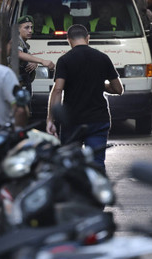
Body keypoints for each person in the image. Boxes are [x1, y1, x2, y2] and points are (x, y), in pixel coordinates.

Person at [47, 24, 123, 170]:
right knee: (97, 164)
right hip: (98, 120)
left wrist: (51, 120)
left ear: (68, 40)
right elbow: (118, 89)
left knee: (69, 165)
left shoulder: (64, 60)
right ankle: (97, 191)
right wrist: (100, 85)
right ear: (88, 38)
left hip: (72, 121)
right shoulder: (102, 58)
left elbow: (57, 90)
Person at [15, 15, 55, 92]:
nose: (30, 31)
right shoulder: (15, 40)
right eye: (26, 28)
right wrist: (42, 61)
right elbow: (19, 54)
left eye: (31, 28)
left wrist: (34, 62)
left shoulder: (24, 44)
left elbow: (28, 57)